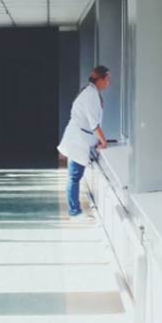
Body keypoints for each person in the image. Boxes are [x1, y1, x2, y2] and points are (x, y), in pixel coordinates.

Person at [57, 66, 111, 218]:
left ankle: (75, 209)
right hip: (77, 140)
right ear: (99, 79)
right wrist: (104, 142)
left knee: (74, 175)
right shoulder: (91, 95)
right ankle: (74, 211)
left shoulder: (92, 92)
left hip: (80, 138)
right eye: (107, 78)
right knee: (74, 176)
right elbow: (94, 125)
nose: (109, 82)